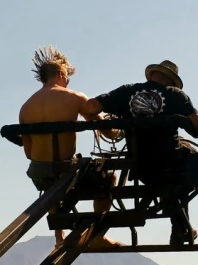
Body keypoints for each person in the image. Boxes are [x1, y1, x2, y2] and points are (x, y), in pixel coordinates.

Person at [82, 60, 198, 245]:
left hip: (140, 166)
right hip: (170, 163)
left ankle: (181, 228)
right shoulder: (174, 95)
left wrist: (108, 128)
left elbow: (90, 107)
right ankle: (181, 228)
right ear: (172, 81)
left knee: (172, 180)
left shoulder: (127, 91)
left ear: (151, 75)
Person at [18, 46, 121, 249]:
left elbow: (28, 153)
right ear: (60, 74)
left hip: (40, 175)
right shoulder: (74, 97)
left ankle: (59, 239)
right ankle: (97, 234)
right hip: (67, 172)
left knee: (51, 183)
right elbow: (106, 130)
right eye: (67, 78)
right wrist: (119, 131)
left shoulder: (26, 107)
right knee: (108, 177)